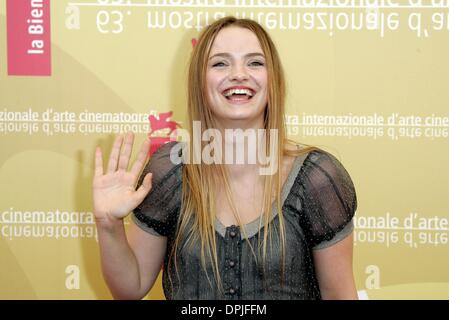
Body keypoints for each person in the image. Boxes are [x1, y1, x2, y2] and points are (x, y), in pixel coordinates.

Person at [92, 16, 358, 300]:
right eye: (220, 63)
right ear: (200, 82)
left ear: (274, 80)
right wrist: (108, 224)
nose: (239, 74)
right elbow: (129, 289)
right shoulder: (169, 172)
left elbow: (340, 295)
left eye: (255, 62)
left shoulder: (317, 179)